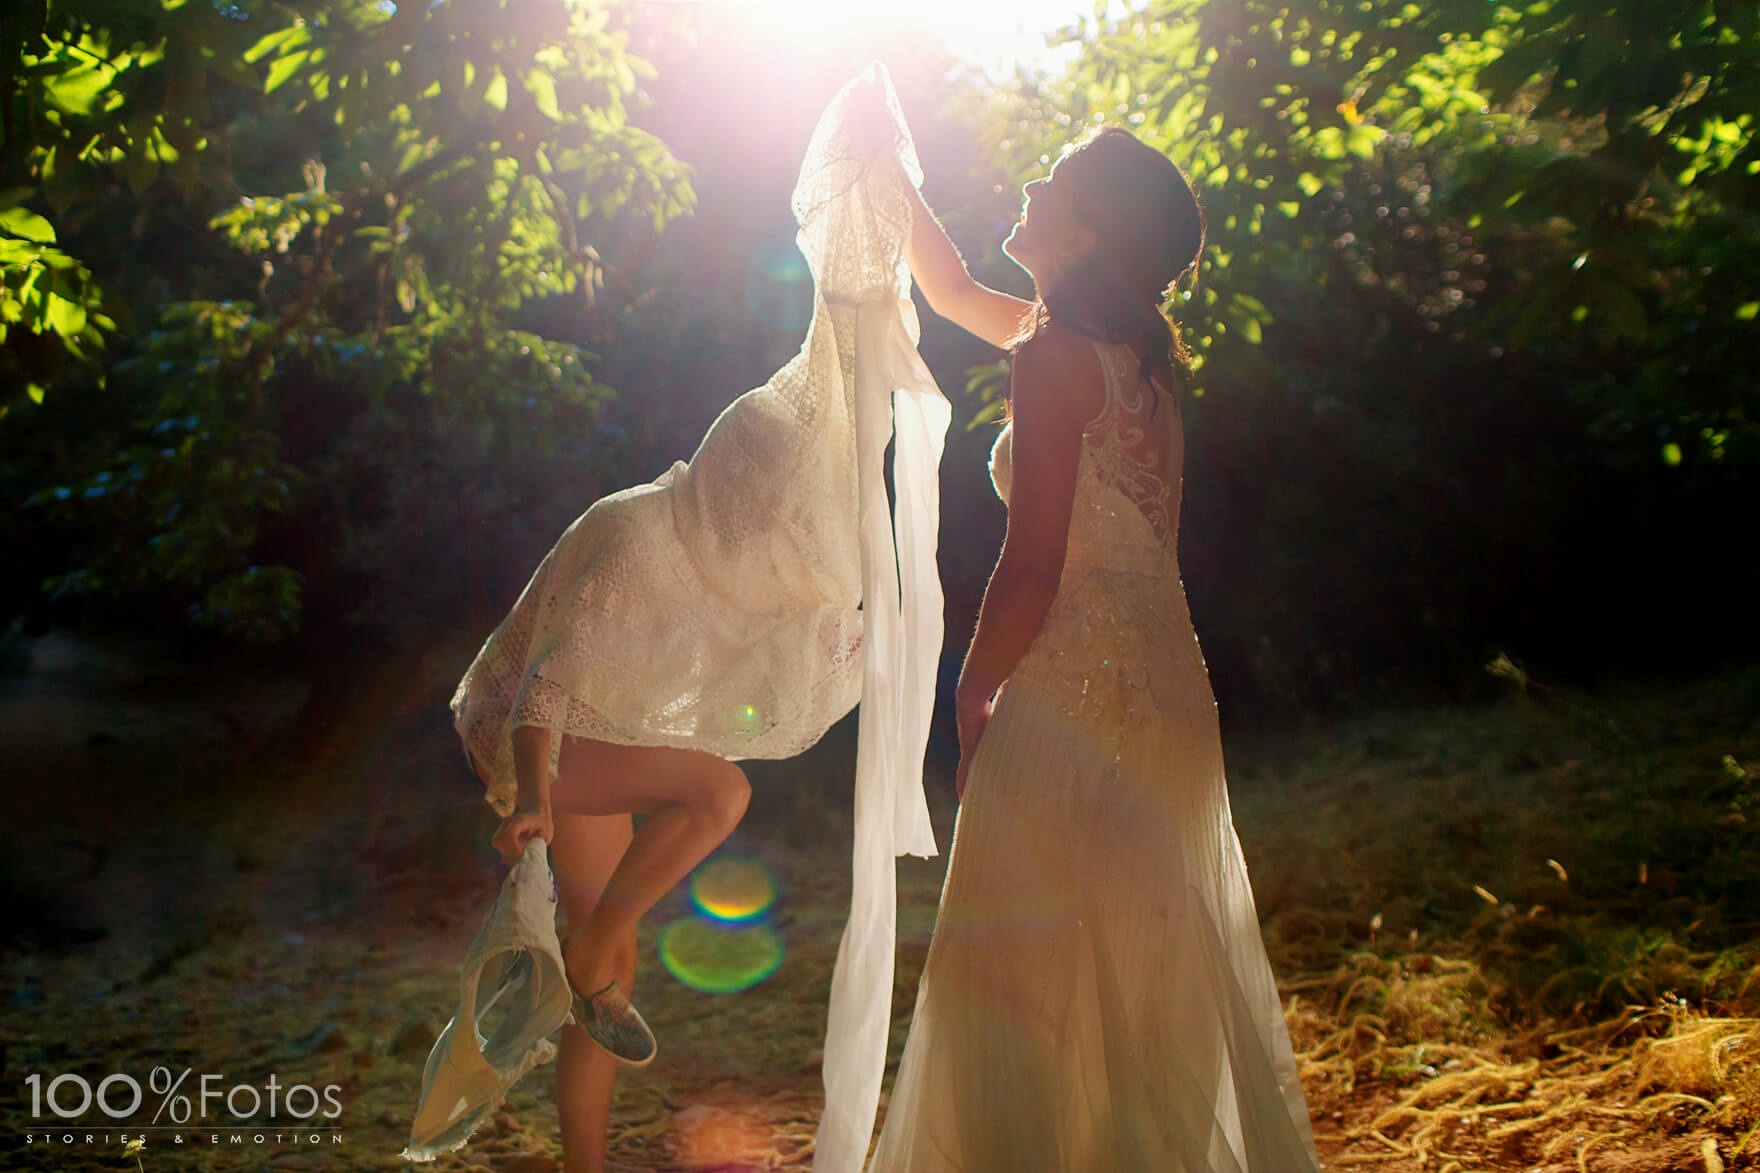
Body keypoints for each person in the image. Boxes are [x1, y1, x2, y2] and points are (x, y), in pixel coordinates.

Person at [442, 66, 947, 1173]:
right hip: (539, 738)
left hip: (600, 739)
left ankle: (584, 1133)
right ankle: (599, 951)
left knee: (604, 969)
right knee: (716, 791)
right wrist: (530, 800)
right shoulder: (632, 535)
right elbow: (543, 690)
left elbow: (789, 619)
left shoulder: (738, 567)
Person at [861, 125, 1323, 1171]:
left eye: (1054, 183)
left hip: (1074, 686)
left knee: (1026, 970)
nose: (1028, 182)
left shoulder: (1054, 356)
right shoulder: (1126, 361)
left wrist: (971, 691)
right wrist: (884, 159)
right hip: (1164, 684)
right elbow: (945, 289)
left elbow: (1032, 566)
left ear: (1090, 231)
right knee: (1137, 958)